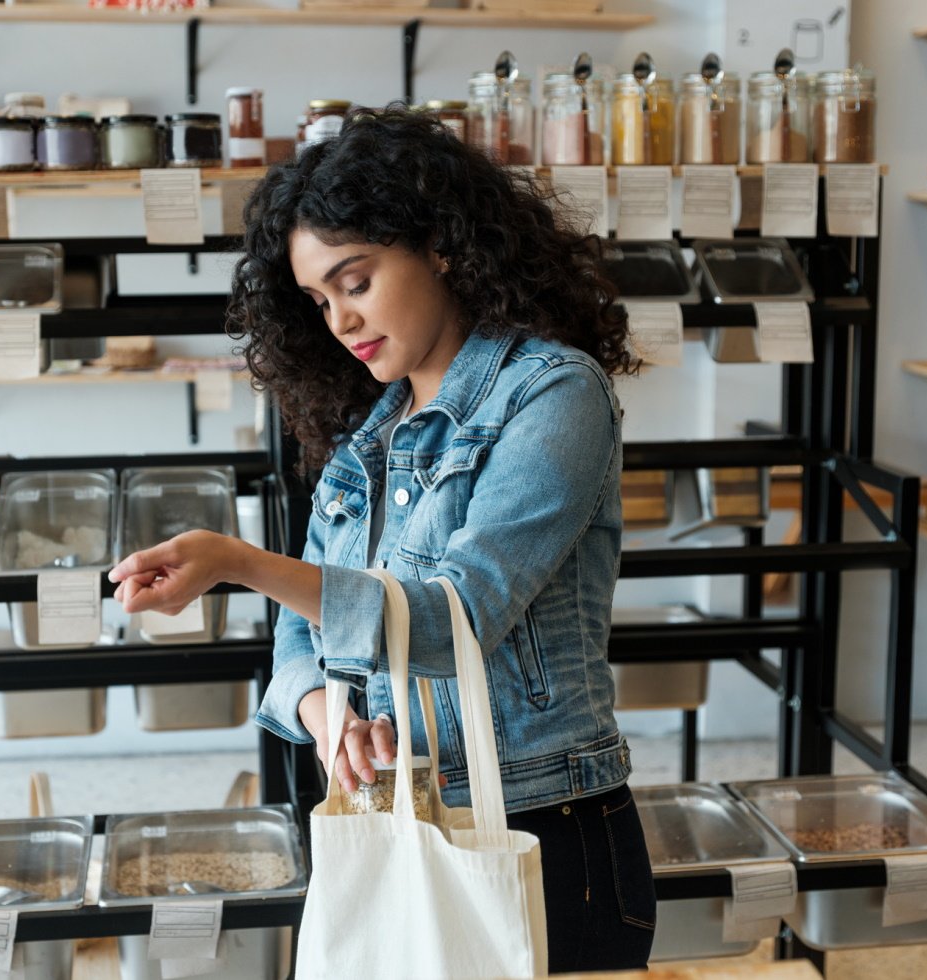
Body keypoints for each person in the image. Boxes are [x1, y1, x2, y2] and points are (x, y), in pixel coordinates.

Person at [108, 106, 655, 973]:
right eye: (319, 301)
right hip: (399, 817)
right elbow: (300, 644)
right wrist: (335, 721)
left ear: (440, 244)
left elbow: (453, 620)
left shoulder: (555, 396)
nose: (340, 321)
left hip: (543, 830)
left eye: (355, 282)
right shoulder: (367, 441)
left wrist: (239, 563)